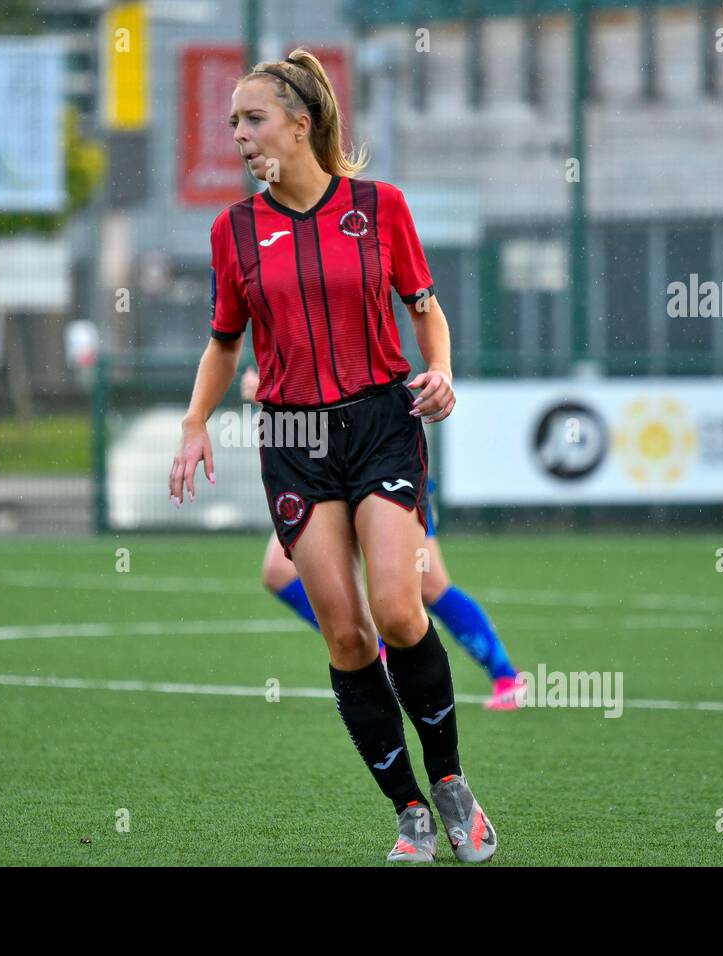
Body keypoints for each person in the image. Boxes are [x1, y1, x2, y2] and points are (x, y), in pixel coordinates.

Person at [168, 48, 496, 863]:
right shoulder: (233, 230)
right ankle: (409, 810)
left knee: (397, 607)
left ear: (300, 123)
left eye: (253, 119)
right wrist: (194, 423)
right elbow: (223, 342)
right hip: (292, 440)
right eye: (234, 122)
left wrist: (444, 373)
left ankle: (451, 782)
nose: (239, 135)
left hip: (382, 423)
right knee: (346, 637)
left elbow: (427, 312)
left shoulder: (380, 207)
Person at [239, 366, 523, 710]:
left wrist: (271, 389)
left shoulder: (341, 327)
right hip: (321, 473)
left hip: (378, 460)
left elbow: (338, 380)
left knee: (430, 584)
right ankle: (376, 649)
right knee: (278, 572)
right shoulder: (282, 324)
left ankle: (506, 675)